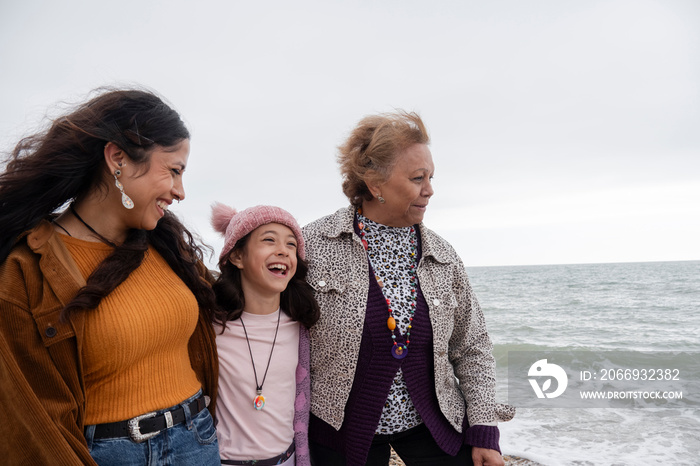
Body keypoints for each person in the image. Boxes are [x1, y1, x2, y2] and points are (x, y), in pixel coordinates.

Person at [0, 88, 220, 465]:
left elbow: (238, 300)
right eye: (174, 170)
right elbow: (36, 423)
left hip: (197, 440)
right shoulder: (25, 273)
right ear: (117, 158)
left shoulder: (169, 247)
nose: (180, 191)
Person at [302, 111, 515, 466]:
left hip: (432, 425)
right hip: (338, 431)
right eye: (418, 178)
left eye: (431, 177)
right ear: (375, 184)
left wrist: (483, 431)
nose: (429, 190)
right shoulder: (313, 244)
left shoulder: (443, 256)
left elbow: (473, 347)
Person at [210, 204, 320, 466]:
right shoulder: (210, 327)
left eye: (291, 244)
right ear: (237, 257)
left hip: (287, 460)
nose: (283, 250)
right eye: (269, 240)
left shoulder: (302, 327)